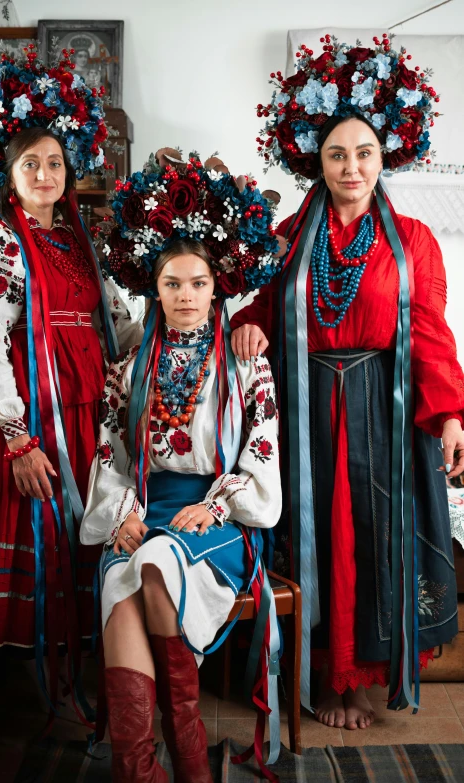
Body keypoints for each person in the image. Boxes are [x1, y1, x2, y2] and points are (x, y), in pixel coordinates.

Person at [231, 34, 464, 731]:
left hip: (381, 412)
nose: (352, 165)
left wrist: (450, 414)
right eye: (337, 153)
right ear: (316, 160)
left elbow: (428, 331)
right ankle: (313, 677)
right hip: (305, 411)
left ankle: (359, 681)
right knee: (310, 536)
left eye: (363, 152)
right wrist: (248, 325)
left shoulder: (414, 241)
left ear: (384, 156)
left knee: (370, 539)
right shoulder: (286, 237)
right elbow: (260, 306)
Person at [0, 45, 141, 715]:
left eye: (55, 161)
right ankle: (36, 696)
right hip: (38, 412)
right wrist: (17, 437)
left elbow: (116, 324)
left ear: (71, 167)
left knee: (91, 530)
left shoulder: (82, 242)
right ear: (7, 174)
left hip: (90, 409)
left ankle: (91, 669)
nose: (45, 172)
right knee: (45, 532)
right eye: (30, 162)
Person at [80, 150, 283, 781]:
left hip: (216, 514)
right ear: (154, 288)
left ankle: (191, 763)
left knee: (160, 567)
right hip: (148, 505)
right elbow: (112, 456)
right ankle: (141, 770)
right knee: (121, 583)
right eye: (172, 284)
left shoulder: (247, 364)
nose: (187, 296)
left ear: (218, 285)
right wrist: (122, 514)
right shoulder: (129, 369)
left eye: (198, 283)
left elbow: (261, 452)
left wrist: (217, 504)